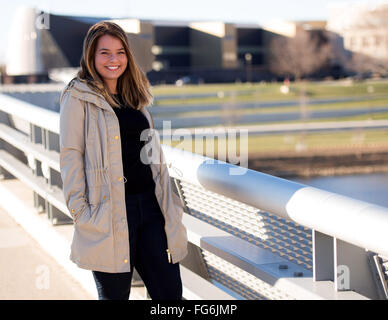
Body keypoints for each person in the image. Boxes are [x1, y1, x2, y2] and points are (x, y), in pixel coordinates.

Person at [59, 21, 188, 300]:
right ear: (91, 57)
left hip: (152, 211)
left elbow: (153, 155)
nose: (113, 60)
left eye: (120, 52)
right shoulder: (78, 96)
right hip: (108, 214)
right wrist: (80, 212)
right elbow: (71, 154)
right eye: (104, 53)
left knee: (170, 297)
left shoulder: (135, 95)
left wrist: (171, 203)